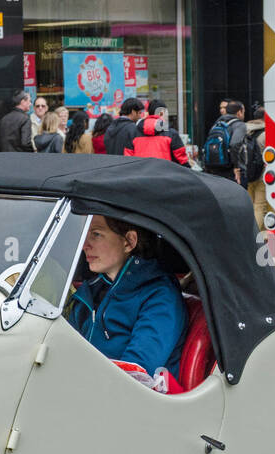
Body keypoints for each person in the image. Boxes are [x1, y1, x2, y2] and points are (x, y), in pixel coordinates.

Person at [65, 215, 188, 380]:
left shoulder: (159, 297)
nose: (85, 245)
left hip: (131, 399)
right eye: (84, 234)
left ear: (129, 241)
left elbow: (136, 374)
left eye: (96, 234)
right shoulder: (92, 290)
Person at [127, 99, 190, 166]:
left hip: (140, 174)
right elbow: (182, 159)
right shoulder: (171, 133)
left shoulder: (133, 133)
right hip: (164, 174)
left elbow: (128, 159)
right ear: (162, 112)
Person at [202, 100, 248, 184]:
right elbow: (235, 144)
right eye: (243, 111)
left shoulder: (216, 124)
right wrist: (236, 167)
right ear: (239, 112)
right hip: (232, 171)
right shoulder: (239, 125)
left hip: (215, 169)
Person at [245, 107, 268, 227]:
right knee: (259, 206)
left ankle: (248, 231)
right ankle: (255, 235)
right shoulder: (266, 133)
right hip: (261, 175)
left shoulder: (244, 130)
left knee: (249, 205)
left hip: (246, 173)